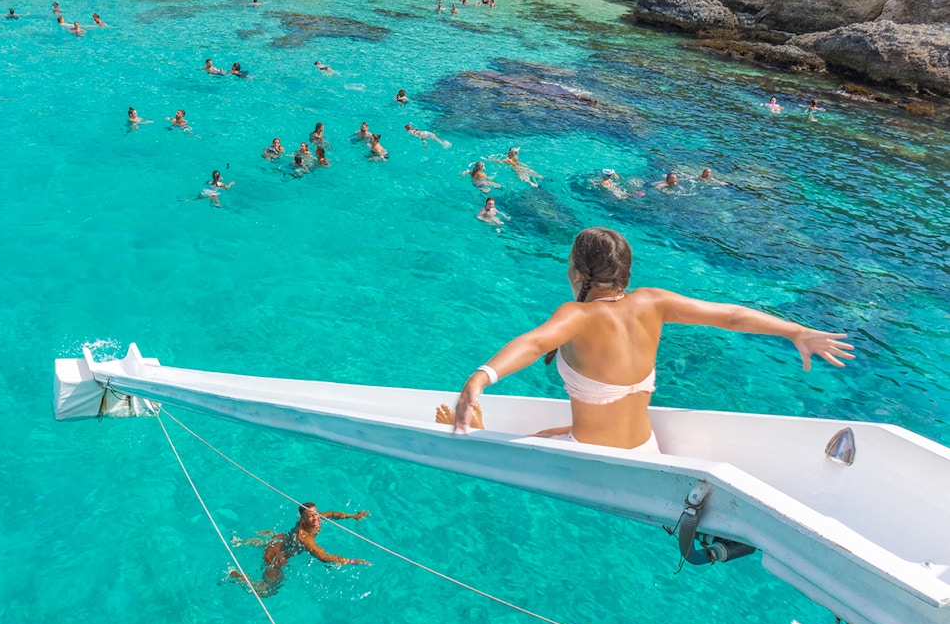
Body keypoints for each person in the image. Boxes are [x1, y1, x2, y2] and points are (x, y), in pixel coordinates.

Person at [435, 227, 854, 450]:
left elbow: (533, 343)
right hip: (645, 449)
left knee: (490, 441)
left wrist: (481, 376)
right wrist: (796, 331)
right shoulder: (653, 302)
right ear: (626, 274)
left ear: (577, 275)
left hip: (593, 459)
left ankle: (479, 437)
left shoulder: (577, 315)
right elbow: (730, 316)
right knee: (543, 436)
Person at [228, 503, 370, 597]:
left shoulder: (316, 518)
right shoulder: (303, 537)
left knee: (275, 540)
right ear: (303, 519)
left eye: (316, 514)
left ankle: (249, 541)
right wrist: (352, 561)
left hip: (280, 538)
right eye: (311, 517)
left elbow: (332, 514)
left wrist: (352, 516)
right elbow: (323, 556)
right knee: (268, 590)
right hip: (278, 555)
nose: (316, 519)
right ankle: (237, 576)